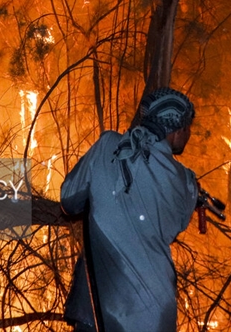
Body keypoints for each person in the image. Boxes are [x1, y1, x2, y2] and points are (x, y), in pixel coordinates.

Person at [61, 87, 198, 332]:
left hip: (98, 308)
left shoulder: (108, 146)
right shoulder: (186, 182)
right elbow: (173, 229)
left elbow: (69, 199)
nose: (188, 135)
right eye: (187, 128)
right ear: (176, 131)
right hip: (155, 316)